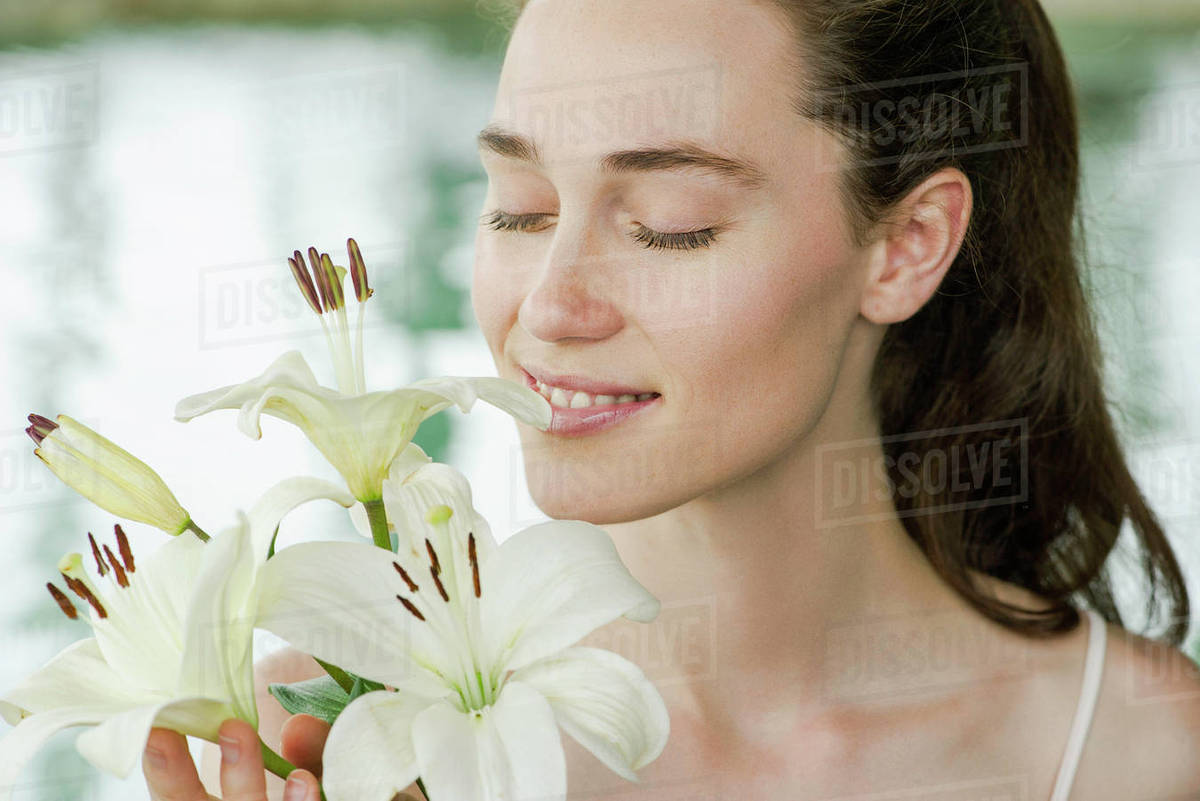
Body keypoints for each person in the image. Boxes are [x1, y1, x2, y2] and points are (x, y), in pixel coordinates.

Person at [144, 1, 1200, 799]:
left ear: (906, 245)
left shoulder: (1139, 750)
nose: (548, 307)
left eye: (669, 223)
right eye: (519, 209)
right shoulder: (323, 734)